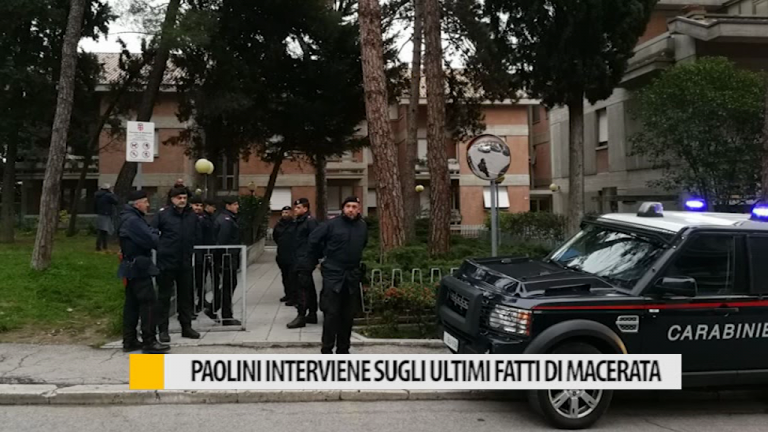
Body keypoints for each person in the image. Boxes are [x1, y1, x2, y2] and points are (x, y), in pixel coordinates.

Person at [309, 196, 368, 354]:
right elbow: (313, 240)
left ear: (359, 209)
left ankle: (343, 349)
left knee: (348, 315)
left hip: (352, 275)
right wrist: (318, 260)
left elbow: (363, 245)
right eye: (348, 206)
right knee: (331, 313)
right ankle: (327, 348)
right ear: (343, 208)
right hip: (333, 274)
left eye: (354, 206)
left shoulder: (362, 226)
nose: (351, 209)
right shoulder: (331, 225)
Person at [117, 190, 169, 353]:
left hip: (132, 265)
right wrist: (155, 233)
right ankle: (149, 341)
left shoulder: (130, 218)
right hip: (138, 266)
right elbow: (152, 239)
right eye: (145, 202)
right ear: (137, 203)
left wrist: (152, 232)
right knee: (148, 304)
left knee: (132, 304)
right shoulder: (133, 220)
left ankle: (130, 340)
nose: (148, 205)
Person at [151, 187, 200, 341]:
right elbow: (152, 232)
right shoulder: (163, 214)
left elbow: (196, 233)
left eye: (184, 198)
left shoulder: (191, 215)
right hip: (166, 262)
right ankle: (163, 330)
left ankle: (186, 327)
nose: (182, 201)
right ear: (172, 199)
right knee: (164, 297)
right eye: (179, 198)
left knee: (185, 297)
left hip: (185, 261)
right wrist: (161, 247)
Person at [287, 198, 319, 329]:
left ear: (305, 209)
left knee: (303, 288)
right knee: (308, 286)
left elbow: (315, 240)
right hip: (299, 259)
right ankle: (312, 313)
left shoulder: (310, 222)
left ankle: (301, 315)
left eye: (299, 207)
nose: (295, 210)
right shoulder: (299, 222)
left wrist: (312, 257)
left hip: (305, 260)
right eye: (295, 207)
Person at [211, 195, 242, 326]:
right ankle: (226, 315)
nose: (237, 207)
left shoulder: (227, 218)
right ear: (227, 206)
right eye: (234, 204)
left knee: (228, 285)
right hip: (227, 258)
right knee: (229, 285)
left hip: (229, 258)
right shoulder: (226, 220)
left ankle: (213, 307)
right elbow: (222, 241)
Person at [192, 196, 216, 315]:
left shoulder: (205, 218)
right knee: (194, 280)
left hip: (204, 253)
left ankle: (201, 300)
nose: (198, 208)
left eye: (200, 206)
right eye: (196, 205)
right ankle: (193, 305)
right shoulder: (193, 219)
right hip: (194, 254)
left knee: (201, 279)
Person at [273, 206, 296, 305]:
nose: (285, 214)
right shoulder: (279, 225)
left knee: (293, 277)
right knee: (285, 276)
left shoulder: (295, 224)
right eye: (283, 212)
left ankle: (294, 297)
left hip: (292, 255)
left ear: (291, 213)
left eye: (287, 212)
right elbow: (275, 237)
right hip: (282, 255)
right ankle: (287, 294)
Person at [94, 183, 118, 252]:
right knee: (104, 231)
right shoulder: (108, 195)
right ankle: (102, 246)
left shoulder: (97, 195)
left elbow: (95, 205)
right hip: (106, 214)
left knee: (101, 230)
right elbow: (116, 201)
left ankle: (100, 246)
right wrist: (112, 193)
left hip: (100, 214)